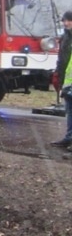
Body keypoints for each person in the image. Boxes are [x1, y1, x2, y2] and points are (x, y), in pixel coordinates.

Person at [51, 10, 72, 148]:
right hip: (67, 80)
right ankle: (69, 137)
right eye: (64, 21)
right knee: (69, 110)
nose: (66, 23)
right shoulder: (65, 36)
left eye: (69, 20)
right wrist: (58, 73)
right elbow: (62, 58)